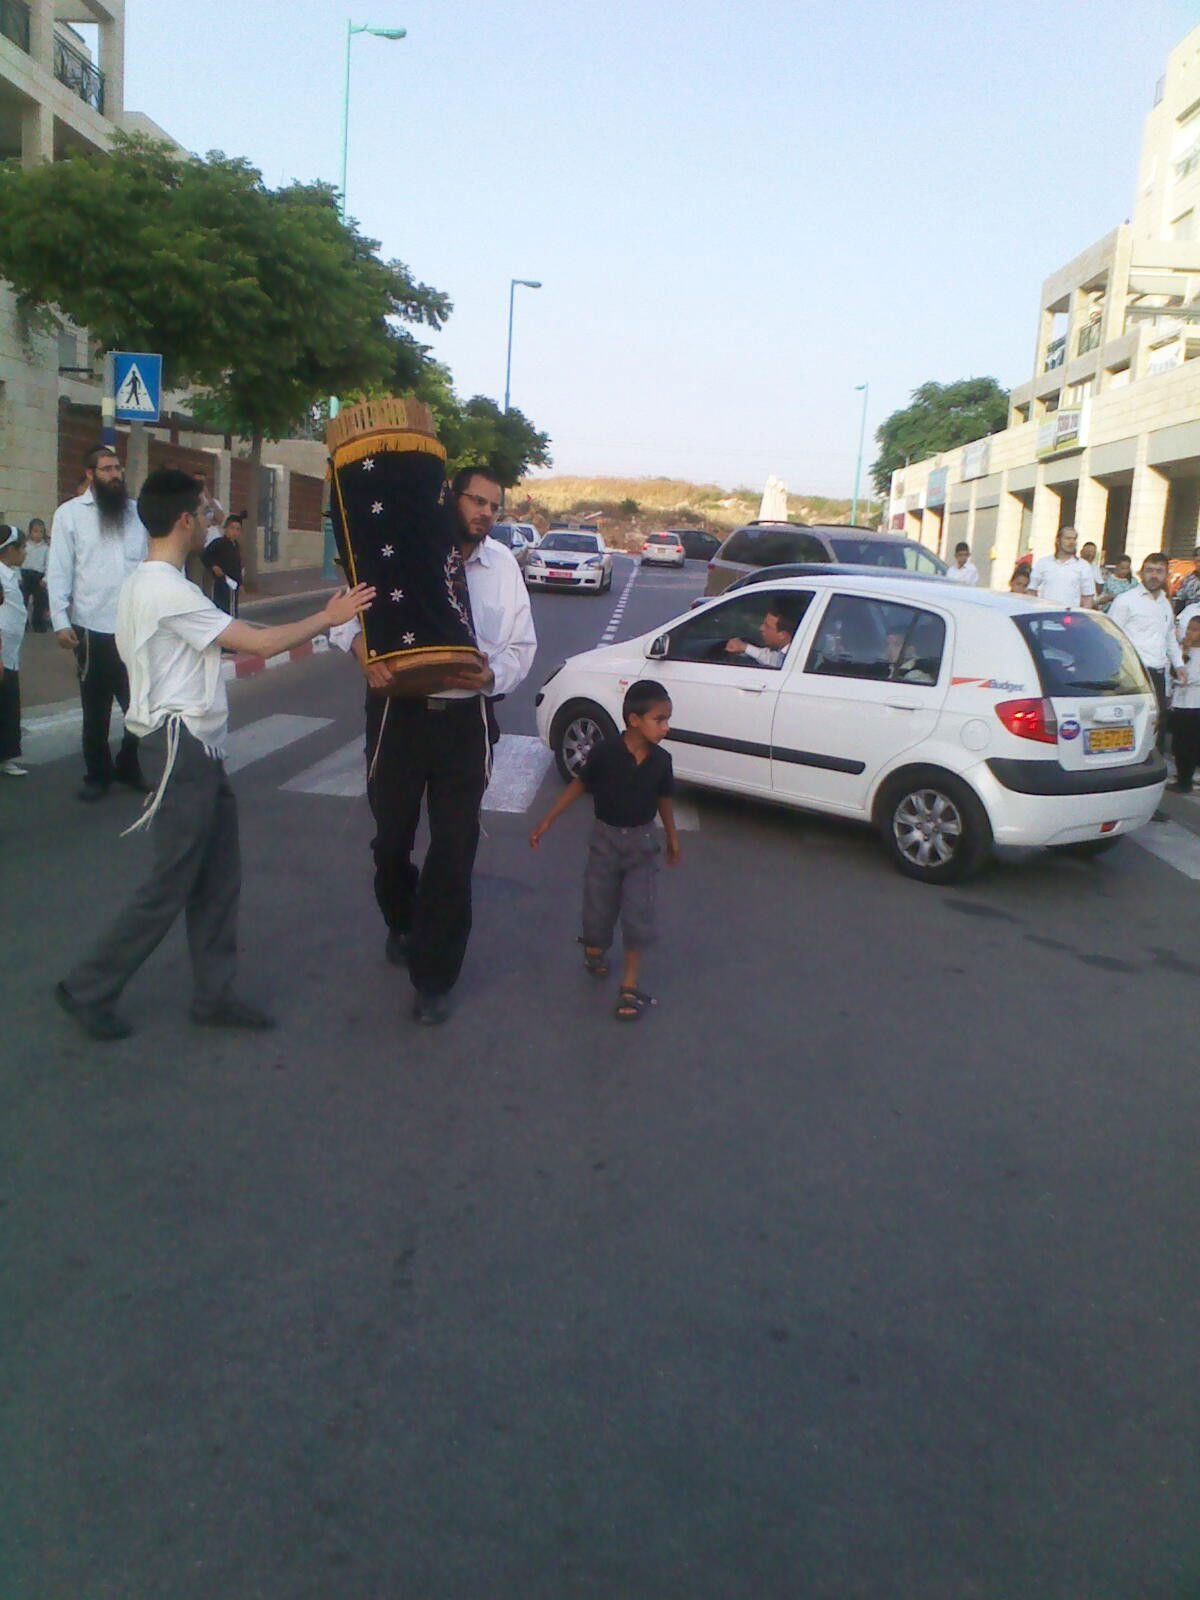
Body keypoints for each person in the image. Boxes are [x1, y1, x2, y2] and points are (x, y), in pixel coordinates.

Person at [54, 468, 374, 1043]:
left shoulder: (152, 582)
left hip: (197, 746)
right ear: (184, 521)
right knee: (170, 883)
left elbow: (231, 627)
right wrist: (329, 618)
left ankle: (214, 995)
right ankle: (88, 986)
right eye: (204, 513)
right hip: (180, 749)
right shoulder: (165, 589)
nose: (210, 521)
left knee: (219, 877)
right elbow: (260, 643)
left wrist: (310, 618)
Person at [345, 464, 537, 1026]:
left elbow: (522, 646)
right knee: (391, 842)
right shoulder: (405, 548)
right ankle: (401, 918)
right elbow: (346, 616)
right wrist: (364, 654)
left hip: (465, 722)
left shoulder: (503, 567)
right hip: (399, 715)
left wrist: (491, 675)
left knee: (454, 851)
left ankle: (433, 978)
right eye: (477, 501)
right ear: (451, 498)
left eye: (494, 506)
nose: (485, 513)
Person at [529, 680, 680, 1022]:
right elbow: (580, 784)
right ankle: (594, 949)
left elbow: (664, 799)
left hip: (642, 846)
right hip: (605, 843)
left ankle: (629, 984)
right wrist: (548, 819)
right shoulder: (605, 753)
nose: (666, 727)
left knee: (638, 913)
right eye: (659, 719)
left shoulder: (661, 760)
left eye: (667, 719)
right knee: (598, 909)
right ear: (634, 720)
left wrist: (672, 837)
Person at [47, 445, 149, 801]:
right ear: (90, 474)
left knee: (140, 707)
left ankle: (128, 763)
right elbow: (59, 569)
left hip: (134, 627)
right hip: (91, 628)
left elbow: (152, 563)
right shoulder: (69, 515)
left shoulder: (136, 513)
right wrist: (60, 620)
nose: (115, 474)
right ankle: (98, 774)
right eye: (106, 469)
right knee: (96, 710)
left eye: (117, 468)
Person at [1108, 552, 1184, 751]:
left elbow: (1169, 637)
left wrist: (1179, 665)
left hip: (1158, 674)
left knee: (1157, 724)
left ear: (1166, 575)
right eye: (1150, 570)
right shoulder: (1126, 601)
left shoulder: (1165, 603)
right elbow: (1111, 638)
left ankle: (1153, 763)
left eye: (1159, 571)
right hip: (1132, 674)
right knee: (1130, 725)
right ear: (1141, 573)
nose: (1154, 575)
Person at [0, 526, 28, 776]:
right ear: (10, 549)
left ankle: (5, 756)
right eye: (22, 547)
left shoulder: (10, 573)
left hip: (10, 651)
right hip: (1, 650)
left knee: (8, 703)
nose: (25, 552)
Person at [1168, 615, 1200, 794]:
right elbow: (1174, 673)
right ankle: (1182, 776)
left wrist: (1181, 678)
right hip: (1179, 703)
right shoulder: (1181, 651)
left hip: (1195, 705)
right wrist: (1184, 652)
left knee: (1189, 745)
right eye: (1189, 628)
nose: (1189, 633)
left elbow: (1189, 678)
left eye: (1195, 630)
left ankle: (1185, 780)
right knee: (1178, 744)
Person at [1030, 526, 1096, 609]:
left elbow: (1088, 598)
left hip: (1069, 615)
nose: (1072, 542)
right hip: (1044, 613)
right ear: (1058, 541)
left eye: (1074, 539)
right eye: (1068, 538)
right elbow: (1031, 590)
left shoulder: (1083, 566)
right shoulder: (1043, 563)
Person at [724, 604, 797, 667]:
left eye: (767, 626)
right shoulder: (788, 653)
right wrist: (744, 647)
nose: (761, 628)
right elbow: (771, 659)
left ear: (782, 635)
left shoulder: (794, 658)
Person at [201, 514, 244, 616]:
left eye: (238, 529)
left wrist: (240, 583)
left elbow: (237, 566)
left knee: (232, 608)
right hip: (221, 581)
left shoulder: (236, 546)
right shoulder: (219, 543)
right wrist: (213, 566)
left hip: (233, 584)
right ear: (226, 529)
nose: (234, 532)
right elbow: (205, 555)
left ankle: (231, 622)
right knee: (221, 606)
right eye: (232, 528)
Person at [19, 517, 51, 632]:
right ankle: (23, 624)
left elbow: (48, 564)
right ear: (30, 531)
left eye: (41, 532)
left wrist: (45, 579)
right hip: (25, 575)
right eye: (35, 531)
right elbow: (18, 562)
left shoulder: (46, 548)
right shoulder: (25, 546)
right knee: (22, 601)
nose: (38, 534)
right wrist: (18, 577)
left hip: (38, 577)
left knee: (40, 602)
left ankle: (38, 623)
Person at [1172, 545, 1200, 616]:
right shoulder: (1188, 579)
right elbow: (1180, 600)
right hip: (1190, 617)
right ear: (1194, 562)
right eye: (1198, 561)